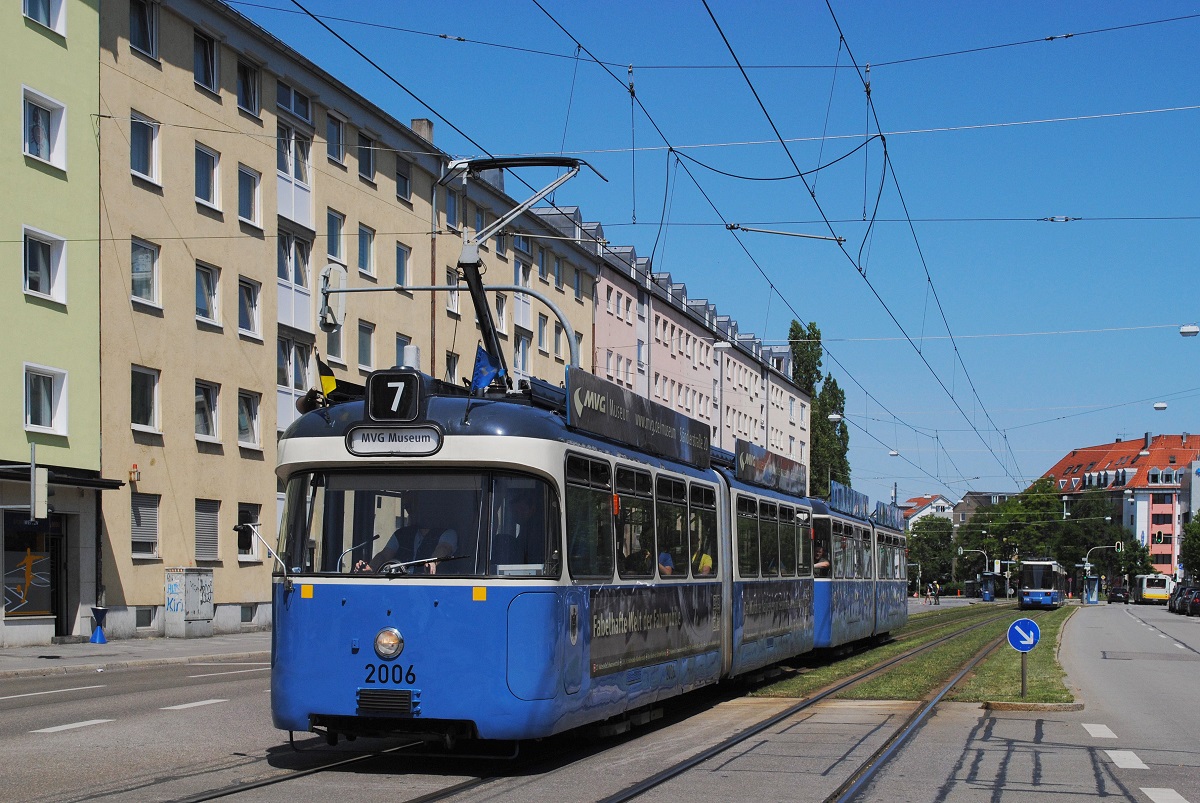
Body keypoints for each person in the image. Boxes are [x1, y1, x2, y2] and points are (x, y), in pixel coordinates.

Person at [355, 498, 458, 574]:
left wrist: (433, 562)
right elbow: (384, 555)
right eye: (414, 510)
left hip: (429, 587)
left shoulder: (448, 533)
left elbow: (444, 548)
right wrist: (371, 568)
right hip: (400, 585)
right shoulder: (401, 534)